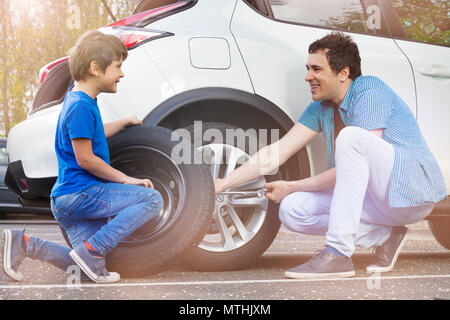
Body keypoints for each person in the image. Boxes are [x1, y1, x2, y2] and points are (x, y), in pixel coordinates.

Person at [215, 32, 447, 279]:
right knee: (291, 209)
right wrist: (221, 184)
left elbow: (357, 164)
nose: (308, 77)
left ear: (344, 73)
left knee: (350, 137)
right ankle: (386, 236)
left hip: (410, 194)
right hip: (374, 202)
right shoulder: (321, 108)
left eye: (316, 69)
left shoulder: (370, 91)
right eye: (308, 69)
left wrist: (292, 185)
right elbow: (277, 152)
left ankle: (337, 253)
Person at [1, 30, 163, 284]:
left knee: (83, 265)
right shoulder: (80, 106)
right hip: (81, 193)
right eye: (118, 66)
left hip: (67, 199)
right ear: (96, 68)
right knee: (152, 199)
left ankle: (24, 245)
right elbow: (85, 158)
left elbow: (92, 134)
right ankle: (93, 251)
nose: (122, 73)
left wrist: (123, 122)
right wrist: (125, 179)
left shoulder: (79, 99)